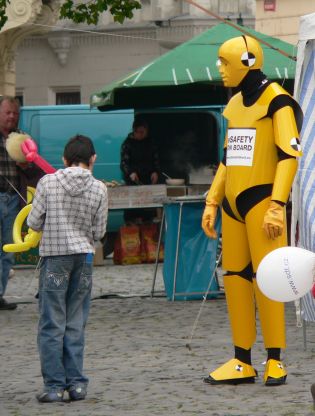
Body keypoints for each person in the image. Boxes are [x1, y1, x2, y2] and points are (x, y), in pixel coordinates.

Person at [201, 36, 303, 386]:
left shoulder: (277, 101)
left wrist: (277, 204)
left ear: (246, 61)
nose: (219, 68)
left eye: (224, 61)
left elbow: (290, 155)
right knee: (235, 278)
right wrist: (213, 199)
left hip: (262, 200)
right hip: (233, 202)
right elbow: (229, 157)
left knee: (269, 278)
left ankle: (275, 358)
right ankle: (241, 359)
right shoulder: (235, 105)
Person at [27, 134, 108, 403]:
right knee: (75, 322)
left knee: (52, 323)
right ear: (93, 159)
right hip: (83, 258)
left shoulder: (47, 182)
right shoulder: (100, 188)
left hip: (55, 258)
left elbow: (34, 221)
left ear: (64, 159)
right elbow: (100, 231)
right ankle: (77, 384)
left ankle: (53, 386)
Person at [0, 95, 43, 311]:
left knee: (8, 249)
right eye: (7, 112)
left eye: (15, 113)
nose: (11, 117)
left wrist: (26, 165)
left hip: (13, 199)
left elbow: (37, 168)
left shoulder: (23, 139)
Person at [120, 118, 160, 223]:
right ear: (134, 131)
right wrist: (130, 173)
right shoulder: (127, 144)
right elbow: (124, 164)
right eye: (139, 132)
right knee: (133, 215)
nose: (142, 135)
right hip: (133, 184)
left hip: (148, 183)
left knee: (148, 215)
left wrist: (155, 172)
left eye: (144, 132)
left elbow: (156, 159)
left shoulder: (151, 142)